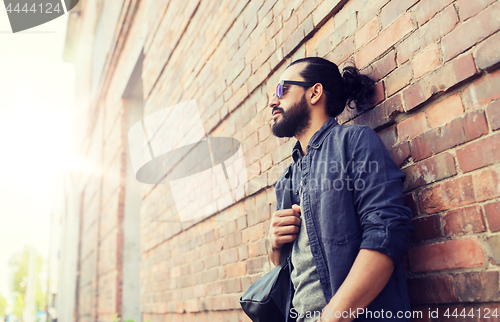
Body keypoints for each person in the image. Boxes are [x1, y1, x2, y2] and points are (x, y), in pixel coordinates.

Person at [267, 57, 414, 322]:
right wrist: (274, 246)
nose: (272, 101)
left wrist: (332, 317)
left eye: (282, 90)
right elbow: (291, 270)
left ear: (315, 92)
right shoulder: (287, 178)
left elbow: (387, 232)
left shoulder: (354, 142)